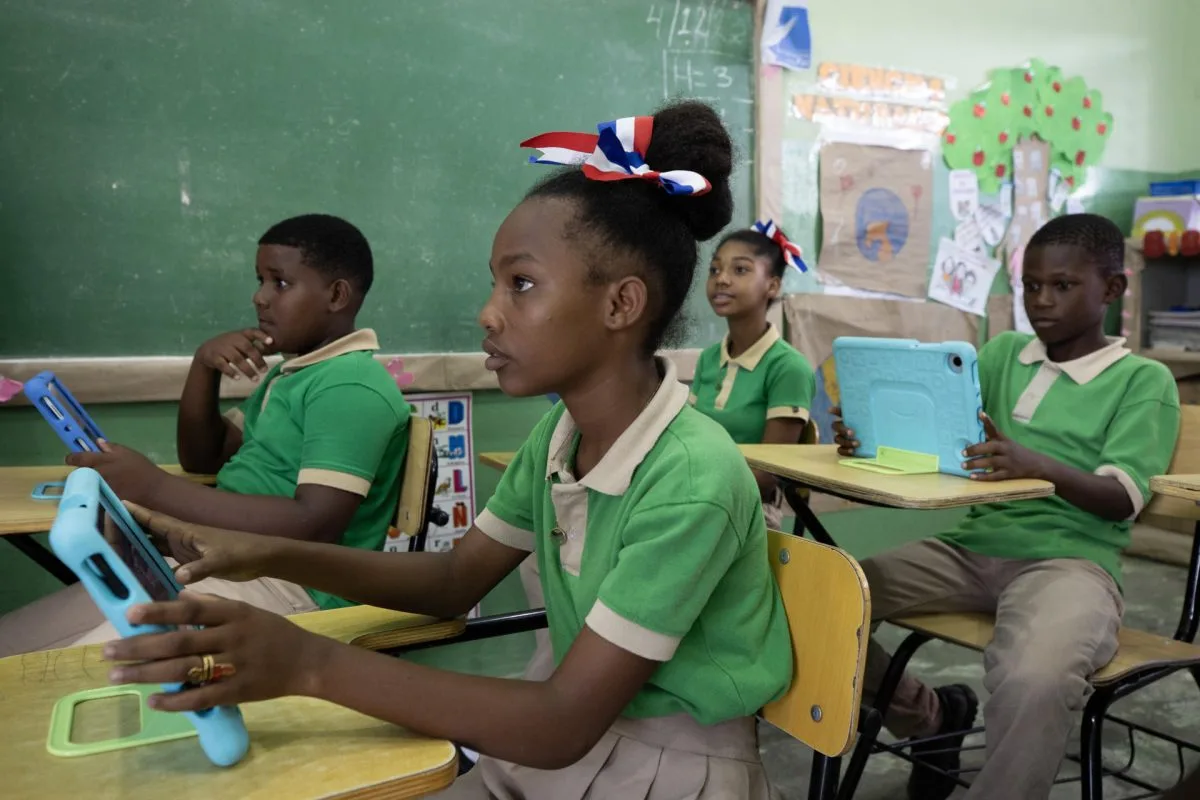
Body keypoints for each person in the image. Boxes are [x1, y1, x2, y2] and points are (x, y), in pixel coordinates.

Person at [102, 102, 792, 798]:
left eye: (520, 284)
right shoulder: (561, 438)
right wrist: (271, 554)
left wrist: (307, 663)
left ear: (621, 305)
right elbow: (454, 580)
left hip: (666, 770)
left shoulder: (690, 475)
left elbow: (560, 724)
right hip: (546, 747)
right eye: (494, 282)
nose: (487, 313)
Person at [835, 213, 1180, 800]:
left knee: (1036, 679)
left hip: (1071, 563)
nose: (1042, 301)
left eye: (1063, 286)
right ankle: (928, 719)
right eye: (1031, 286)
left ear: (1113, 290)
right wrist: (869, 436)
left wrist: (1038, 465)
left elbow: (1123, 498)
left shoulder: (1142, 380)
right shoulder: (1002, 355)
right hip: (970, 547)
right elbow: (947, 441)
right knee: (824, 604)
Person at [0, 214, 410, 656]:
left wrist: (153, 487)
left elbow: (314, 525)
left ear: (336, 295)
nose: (260, 297)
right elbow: (205, 457)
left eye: (281, 283)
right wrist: (203, 367)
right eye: (260, 281)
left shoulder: (349, 385)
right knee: (14, 646)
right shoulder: (292, 376)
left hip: (294, 585)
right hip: (220, 557)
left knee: (72, 673)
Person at [690, 221, 815, 528]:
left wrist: (693, 491)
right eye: (715, 270)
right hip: (694, 495)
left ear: (772, 285)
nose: (722, 279)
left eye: (740, 270)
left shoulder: (788, 368)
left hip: (750, 509)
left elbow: (767, 474)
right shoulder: (708, 359)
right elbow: (688, 440)